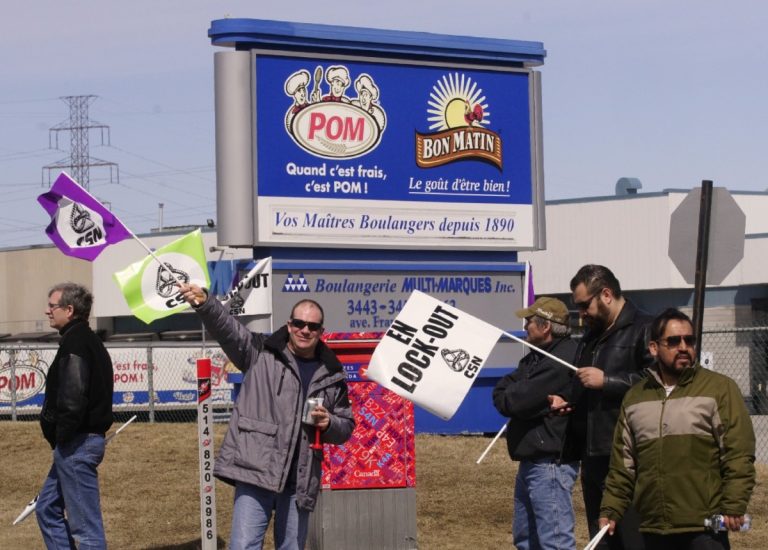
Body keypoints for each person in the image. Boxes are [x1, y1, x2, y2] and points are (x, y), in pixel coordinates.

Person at [179, 284, 355, 550]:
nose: (305, 330)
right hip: (256, 472)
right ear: (289, 324)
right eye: (299, 323)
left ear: (321, 331)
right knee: (244, 546)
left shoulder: (332, 373)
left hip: (299, 480)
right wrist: (205, 303)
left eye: (312, 326)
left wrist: (329, 423)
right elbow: (228, 329)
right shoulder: (261, 351)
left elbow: (346, 425)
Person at [599, 308, 756, 550]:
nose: (683, 347)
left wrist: (734, 503)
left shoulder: (719, 389)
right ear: (653, 348)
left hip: (704, 529)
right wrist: (611, 508)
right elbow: (623, 465)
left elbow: (738, 453)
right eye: (673, 341)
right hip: (653, 528)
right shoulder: (635, 398)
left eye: (689, 340)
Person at [553, 264, 654, 550]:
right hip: (593, 455)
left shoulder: (645, 328)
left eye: (585, 305)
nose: (581, 314)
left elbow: (658, 383)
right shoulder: (591, 336)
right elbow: (583, 382)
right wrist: (570, 401)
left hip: (628, 456)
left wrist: (608, 381)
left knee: (633, 538)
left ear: (606, 294)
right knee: (602, 539)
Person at [493, 297, 579, 550]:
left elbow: (514, 402)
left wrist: (523, 399)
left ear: (546, 327)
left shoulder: (559, 361)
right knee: (526, 540)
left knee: (554, 541)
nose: (525, 326)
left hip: (550, 465)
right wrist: (526, 399)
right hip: (531, 462)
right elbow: (502, 392)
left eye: (529, 321)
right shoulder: (535, 358)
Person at [37, 283, 114, 549]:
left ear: (69, 310)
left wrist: (62, 436)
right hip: (73, 444)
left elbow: (72, 397)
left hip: (77, 444)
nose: (47, 312)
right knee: (46, 508)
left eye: (52, 306)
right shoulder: (81, 340)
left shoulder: (77, 342)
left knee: (86, 529)